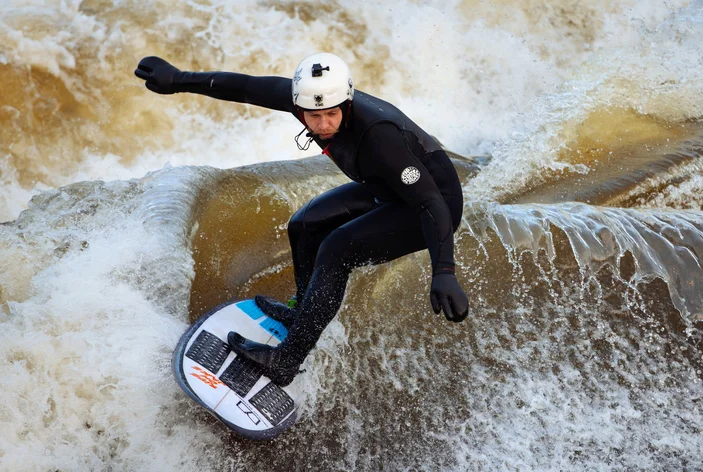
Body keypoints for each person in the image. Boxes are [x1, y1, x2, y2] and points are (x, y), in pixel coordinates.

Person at [134, 53, 469, 386]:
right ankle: (301, 314)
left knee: (337, 249)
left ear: (347, 104)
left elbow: (430, 202)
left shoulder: (381, 138)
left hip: (431, 203)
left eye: (331, 115)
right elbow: (246, 86)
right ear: (299, 106)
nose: (322, 125)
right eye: (313, 116)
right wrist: (178, 80)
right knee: (305, 225)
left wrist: (444, 271)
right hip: (386, 189)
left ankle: (286, 359)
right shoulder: (305, 100)